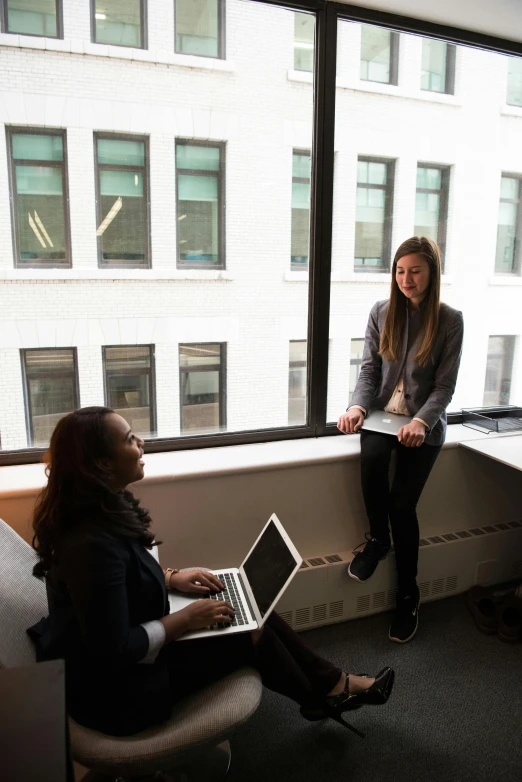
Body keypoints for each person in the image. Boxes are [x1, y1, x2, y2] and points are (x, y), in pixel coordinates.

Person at [28, 407, 394, 738]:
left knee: (247, 603)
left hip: (127, 658)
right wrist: (186, 620)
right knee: (248, 630)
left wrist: (172, 578)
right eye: (128, 439)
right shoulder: (91, 545)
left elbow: (124, 576)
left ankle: (331, 688)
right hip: (114, 693)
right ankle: (327, 693)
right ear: (101, 465)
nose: (141, 441)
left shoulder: (104, 507)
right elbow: (115, 651)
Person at [338, 236, 464, 644]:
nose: (406, 279)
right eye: (400, 271)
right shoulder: (381, 312)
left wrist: (422, 422)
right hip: (381, 418)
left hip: (421, 427)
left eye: (415, 271)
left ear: (431, 274)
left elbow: (444, 388)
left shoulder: (449, 320)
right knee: (372, 458)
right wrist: (358, 407)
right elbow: (369, 371)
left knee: (402, 504)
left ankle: (408, 595)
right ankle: (377, 540)